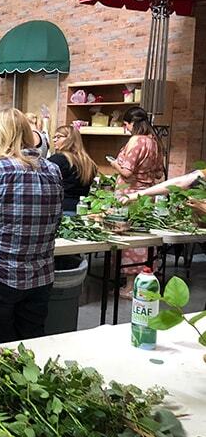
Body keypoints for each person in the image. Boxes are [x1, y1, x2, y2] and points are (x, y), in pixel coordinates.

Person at [0, 108, 63, 346]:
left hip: (0, 274)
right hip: (40, 275)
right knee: (30, 348)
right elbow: (55, 222)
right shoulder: (53, 169)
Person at [109, 106, 164, 297]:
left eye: (126, 124)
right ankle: (144, 283)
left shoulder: (136, 141)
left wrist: (115, 164)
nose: (126, 128)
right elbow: (158, 173)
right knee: (144, 239)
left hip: (129, 196)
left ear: (132, 123)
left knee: (129, 239)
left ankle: (130, 286)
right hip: (147, 195)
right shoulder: (154, 141)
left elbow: (127, 172)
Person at [48, 125, 97, 215]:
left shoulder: (57, 160)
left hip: (62, 208)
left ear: (70, 139)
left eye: (58, 137)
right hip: (84, 208)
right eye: (54, 137)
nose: (54, 140)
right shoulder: (89, 163)